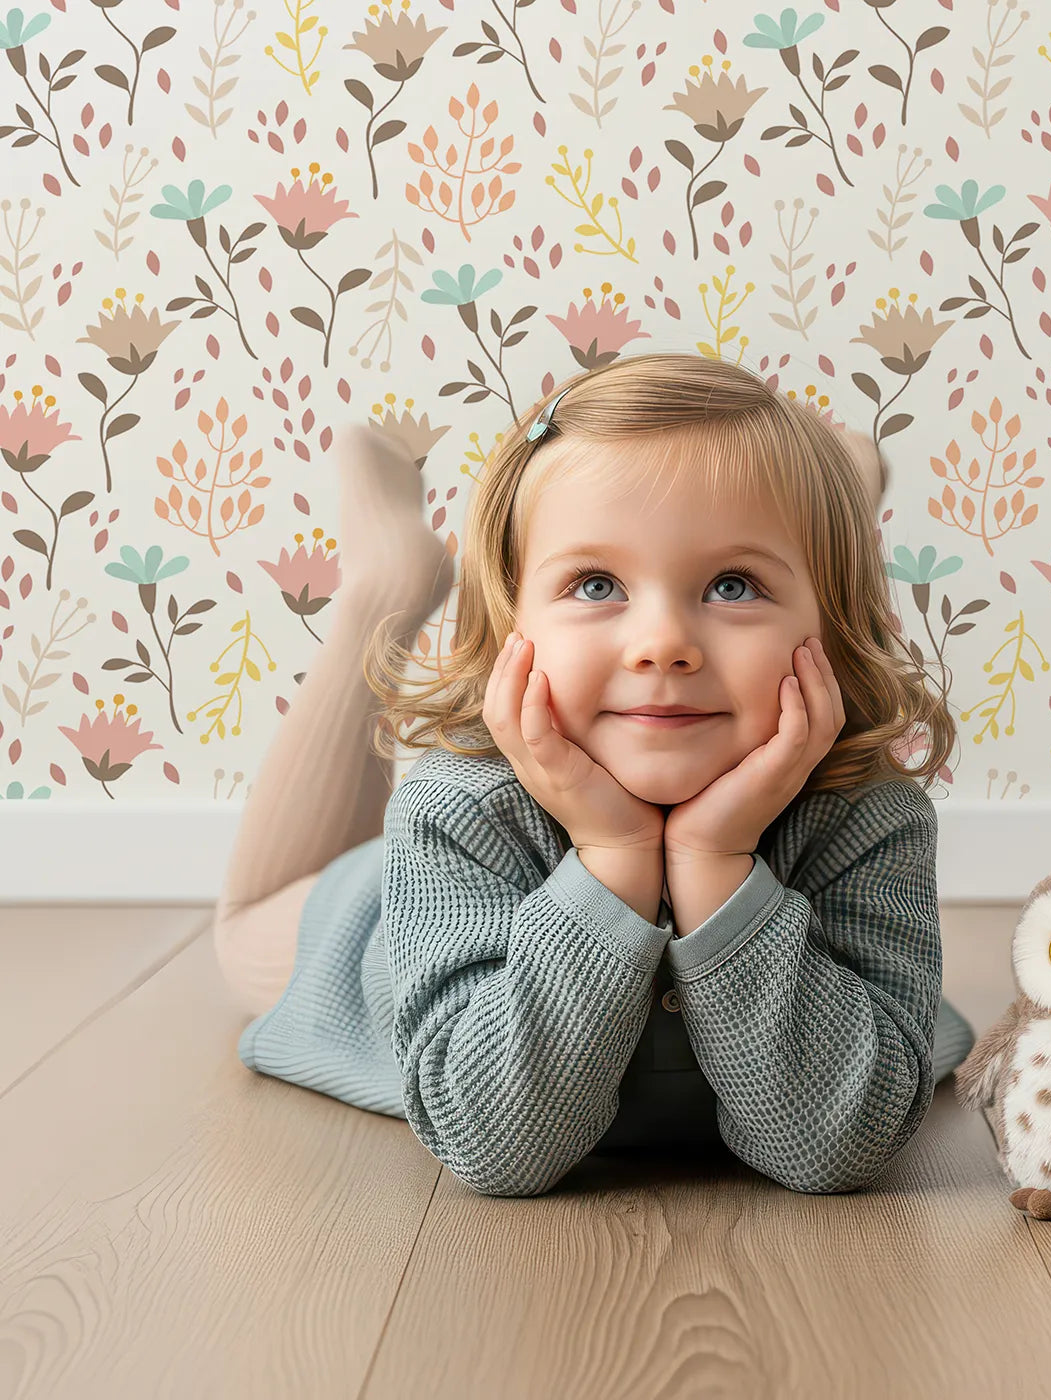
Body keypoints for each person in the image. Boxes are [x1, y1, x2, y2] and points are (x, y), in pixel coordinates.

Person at [215, 352, 974, 1197]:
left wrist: (715, 864)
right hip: (374, 930)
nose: (663, 644)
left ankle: (825, 509)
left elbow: (839, 1145)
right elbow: (495, 1148)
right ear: (514, 619)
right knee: (246, 924)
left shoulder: (868, 815)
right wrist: (611, 852)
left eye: (732, 584)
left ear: (827, 628)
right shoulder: (457, 808)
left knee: (788, 523)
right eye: (596, 582)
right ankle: (387, 583)